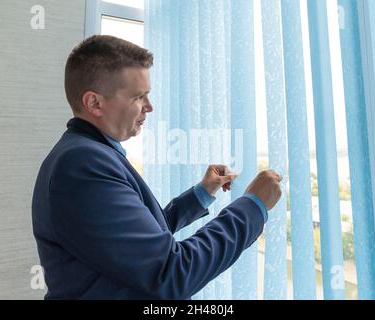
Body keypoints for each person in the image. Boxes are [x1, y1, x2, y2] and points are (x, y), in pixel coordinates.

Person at [32, 35, 282, 299]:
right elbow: (171, 273)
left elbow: (139, 241)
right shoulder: (82, 165)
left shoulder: (90, 152)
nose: (149, 107)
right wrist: (253, 206)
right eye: (139, 97)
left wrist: (202, 193)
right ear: (94, 103)